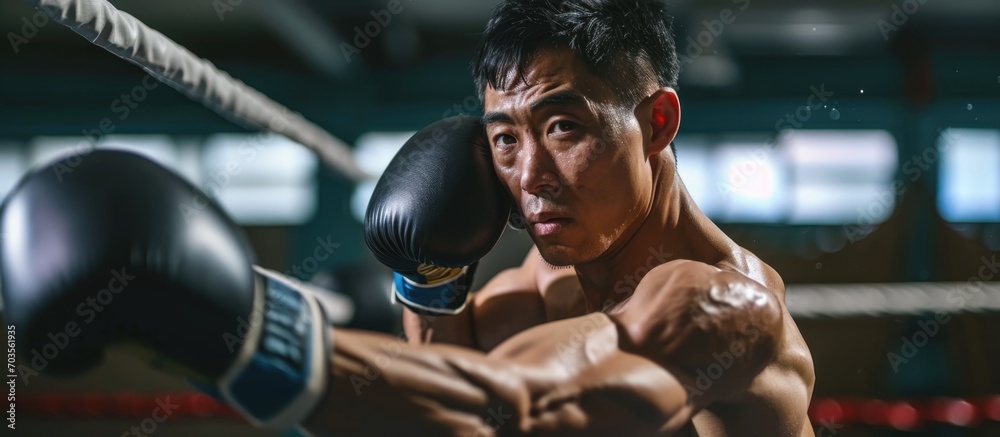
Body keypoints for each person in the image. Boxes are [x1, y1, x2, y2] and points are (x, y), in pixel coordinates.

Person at [0, 1, 814, 436]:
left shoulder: (725, 310)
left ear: (659, 123)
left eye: (564, 128)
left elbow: (513, 409)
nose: (528, 176)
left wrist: (241, 329)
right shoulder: (543, 287)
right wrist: (429, 285)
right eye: (505, 137)